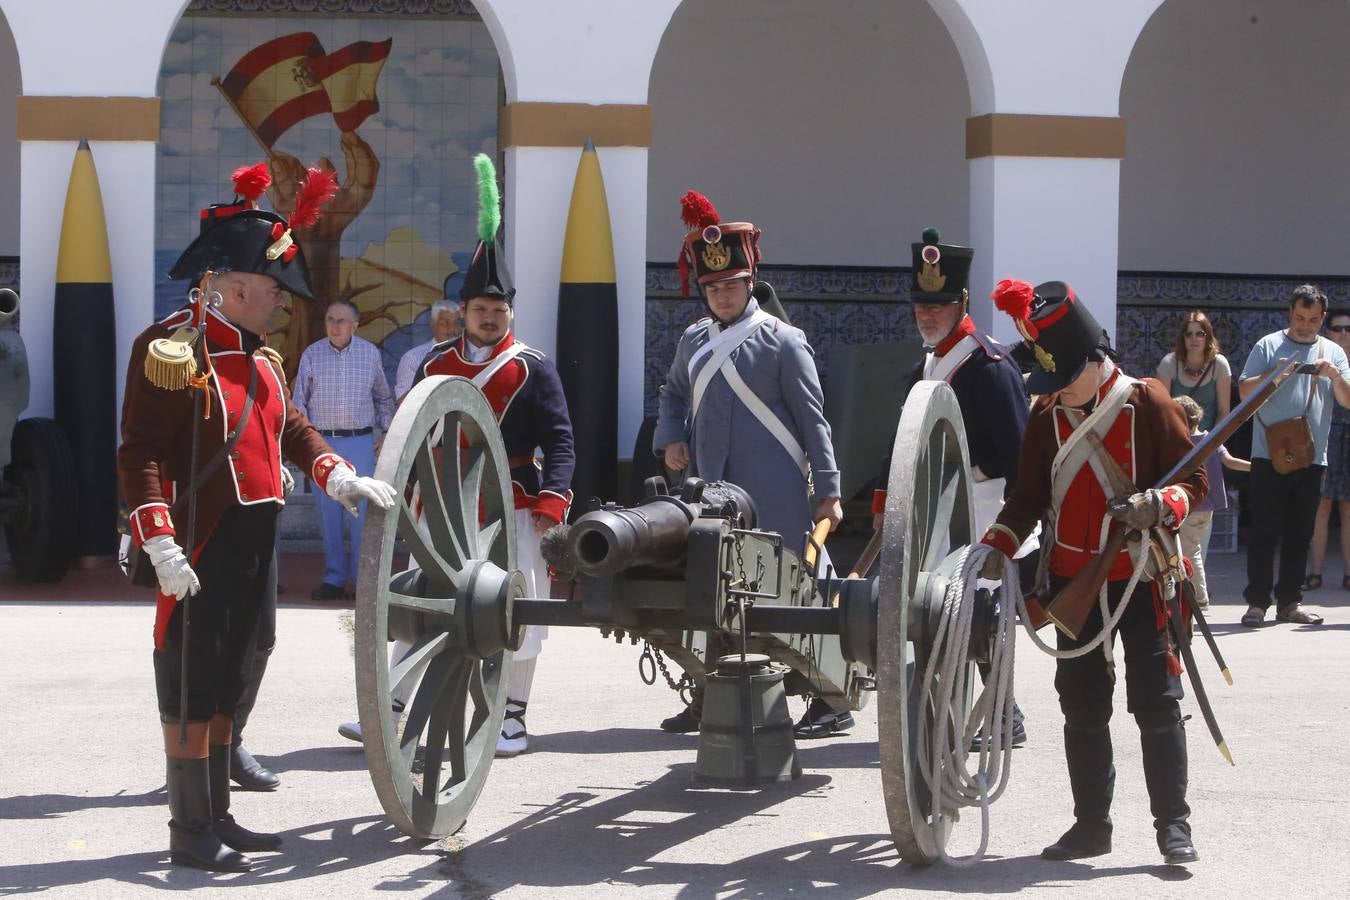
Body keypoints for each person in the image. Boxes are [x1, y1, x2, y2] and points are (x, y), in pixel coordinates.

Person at [118, 169, 397, 872]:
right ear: (234, 286)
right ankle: (189, 831)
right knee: (190, 675)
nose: (282, 304)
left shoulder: (264, 362)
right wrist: (157, 540)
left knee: (234, 668)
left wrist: (335, 472)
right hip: (199, 537)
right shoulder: (171, 350)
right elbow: (139, 451)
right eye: (274, 292)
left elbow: (291, 428)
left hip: (255, 534)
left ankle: (218, 814)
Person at [980, 277, 1206, 866]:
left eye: (1065, 378)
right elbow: (1027, 499)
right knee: (1082, 708)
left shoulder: (1147, 402)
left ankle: (1173, 829)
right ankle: (1091, 827)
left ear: (1094, 360)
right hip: (1070, 580)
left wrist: (1160, 505)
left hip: (1142, 575)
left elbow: (1195, 481)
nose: (1057, 391)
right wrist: (994, 548)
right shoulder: (1047, 416)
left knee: (1156, 703)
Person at [653, 191, 842, 734]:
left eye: (731, 285)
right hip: (710, 488)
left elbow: (814, 421)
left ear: (749, 281)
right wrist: (670, 440)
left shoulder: (784, 342)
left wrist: (827, 490)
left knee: (798, 589)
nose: (723, 296)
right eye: (713, 288)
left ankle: (828, 696)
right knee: (711, 590)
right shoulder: (693, 341)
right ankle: (708, 690)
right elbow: (671, 393)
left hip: (776, 489)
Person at [416, 153, 574, 757]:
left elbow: (560, 438)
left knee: (521, 601)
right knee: (428, 594)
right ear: (463, 313)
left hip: (514, 498)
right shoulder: (434, 367)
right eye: (479, 311)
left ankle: (513, 714)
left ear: (509, 312)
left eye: (498, 311)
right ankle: (399, 701)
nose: (488, 319)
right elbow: (417, 437)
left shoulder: (532, 367)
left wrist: (554, 498)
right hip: (446, 498)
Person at [863, 227, 1034, 747]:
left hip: (980, 514)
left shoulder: (989, 366)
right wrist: (884, 499)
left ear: (960, 302)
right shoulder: (927, 364)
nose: (926, 314)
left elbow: (1020, 456)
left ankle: (1006, 715)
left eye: (937, 305)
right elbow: (904, 441)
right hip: (932, 513)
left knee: (978, 616)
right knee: (939, 615)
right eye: (920, 304)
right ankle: (953, 713)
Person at [1239, 284, 1350, 627]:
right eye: (1300, 318)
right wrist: (1276, 375)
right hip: (1268, 454)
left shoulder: (1333, 352)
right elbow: (1244, 391)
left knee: (1300, 532)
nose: (1305, 326)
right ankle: (1257, 602)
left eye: (1313, 320)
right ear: (1290, 313)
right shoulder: (1268, 345)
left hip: (1312, 457)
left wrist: (1333, 376)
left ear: (1322, 319)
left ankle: (1290, 601)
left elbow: (1347, 400)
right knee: (1263, 531)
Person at [292, 297, 396, 601]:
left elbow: (383, 397)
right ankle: (334, 578)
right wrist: (300, 444)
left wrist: (388, 431)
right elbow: (299, 402)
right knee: (329, 513)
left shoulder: (369, 354)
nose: (334, 326)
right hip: (324, 443)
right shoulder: (312, 354)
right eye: (329, 319)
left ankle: (363, 580)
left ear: (355, 325)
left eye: (340, 321)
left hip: (360, 441)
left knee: (363, 511)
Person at [1173, 395, 1250, 609]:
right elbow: (1231, 462)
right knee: (1192, 547)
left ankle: (1199, 597)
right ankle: (1187, 591)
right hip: (1209, 506)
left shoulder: (1183, 443)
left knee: (1191, 549)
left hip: (1192, 505)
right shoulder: (1211, 439)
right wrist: (1256, 467)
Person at [1304, 309, 1350, 592]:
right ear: (1328, 331)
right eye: (1337, 328)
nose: (1343, 333)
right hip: (1326, 433)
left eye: (1348, 328)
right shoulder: (1322, 357)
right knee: (1320, 507)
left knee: (1348, 510)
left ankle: (1349, 574)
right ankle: (1315, 572)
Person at [1156, 311, 1231, 432]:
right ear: (1183, 338)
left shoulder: (1219, 365)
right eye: (1188, 334)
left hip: (1208, 440)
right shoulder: (1169, 364)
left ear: (1208, 336)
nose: (1194, 339)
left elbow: (1224, 412)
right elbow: (1161, 410)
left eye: (1200, 334)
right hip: (1177, 438)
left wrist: (1211, 442)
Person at [394, 298, 461, 402]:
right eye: (445, 323)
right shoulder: (413, 358)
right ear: (433, 325)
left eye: (456, 323)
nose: (452, 329)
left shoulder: (469, 356)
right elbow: (403, 401)